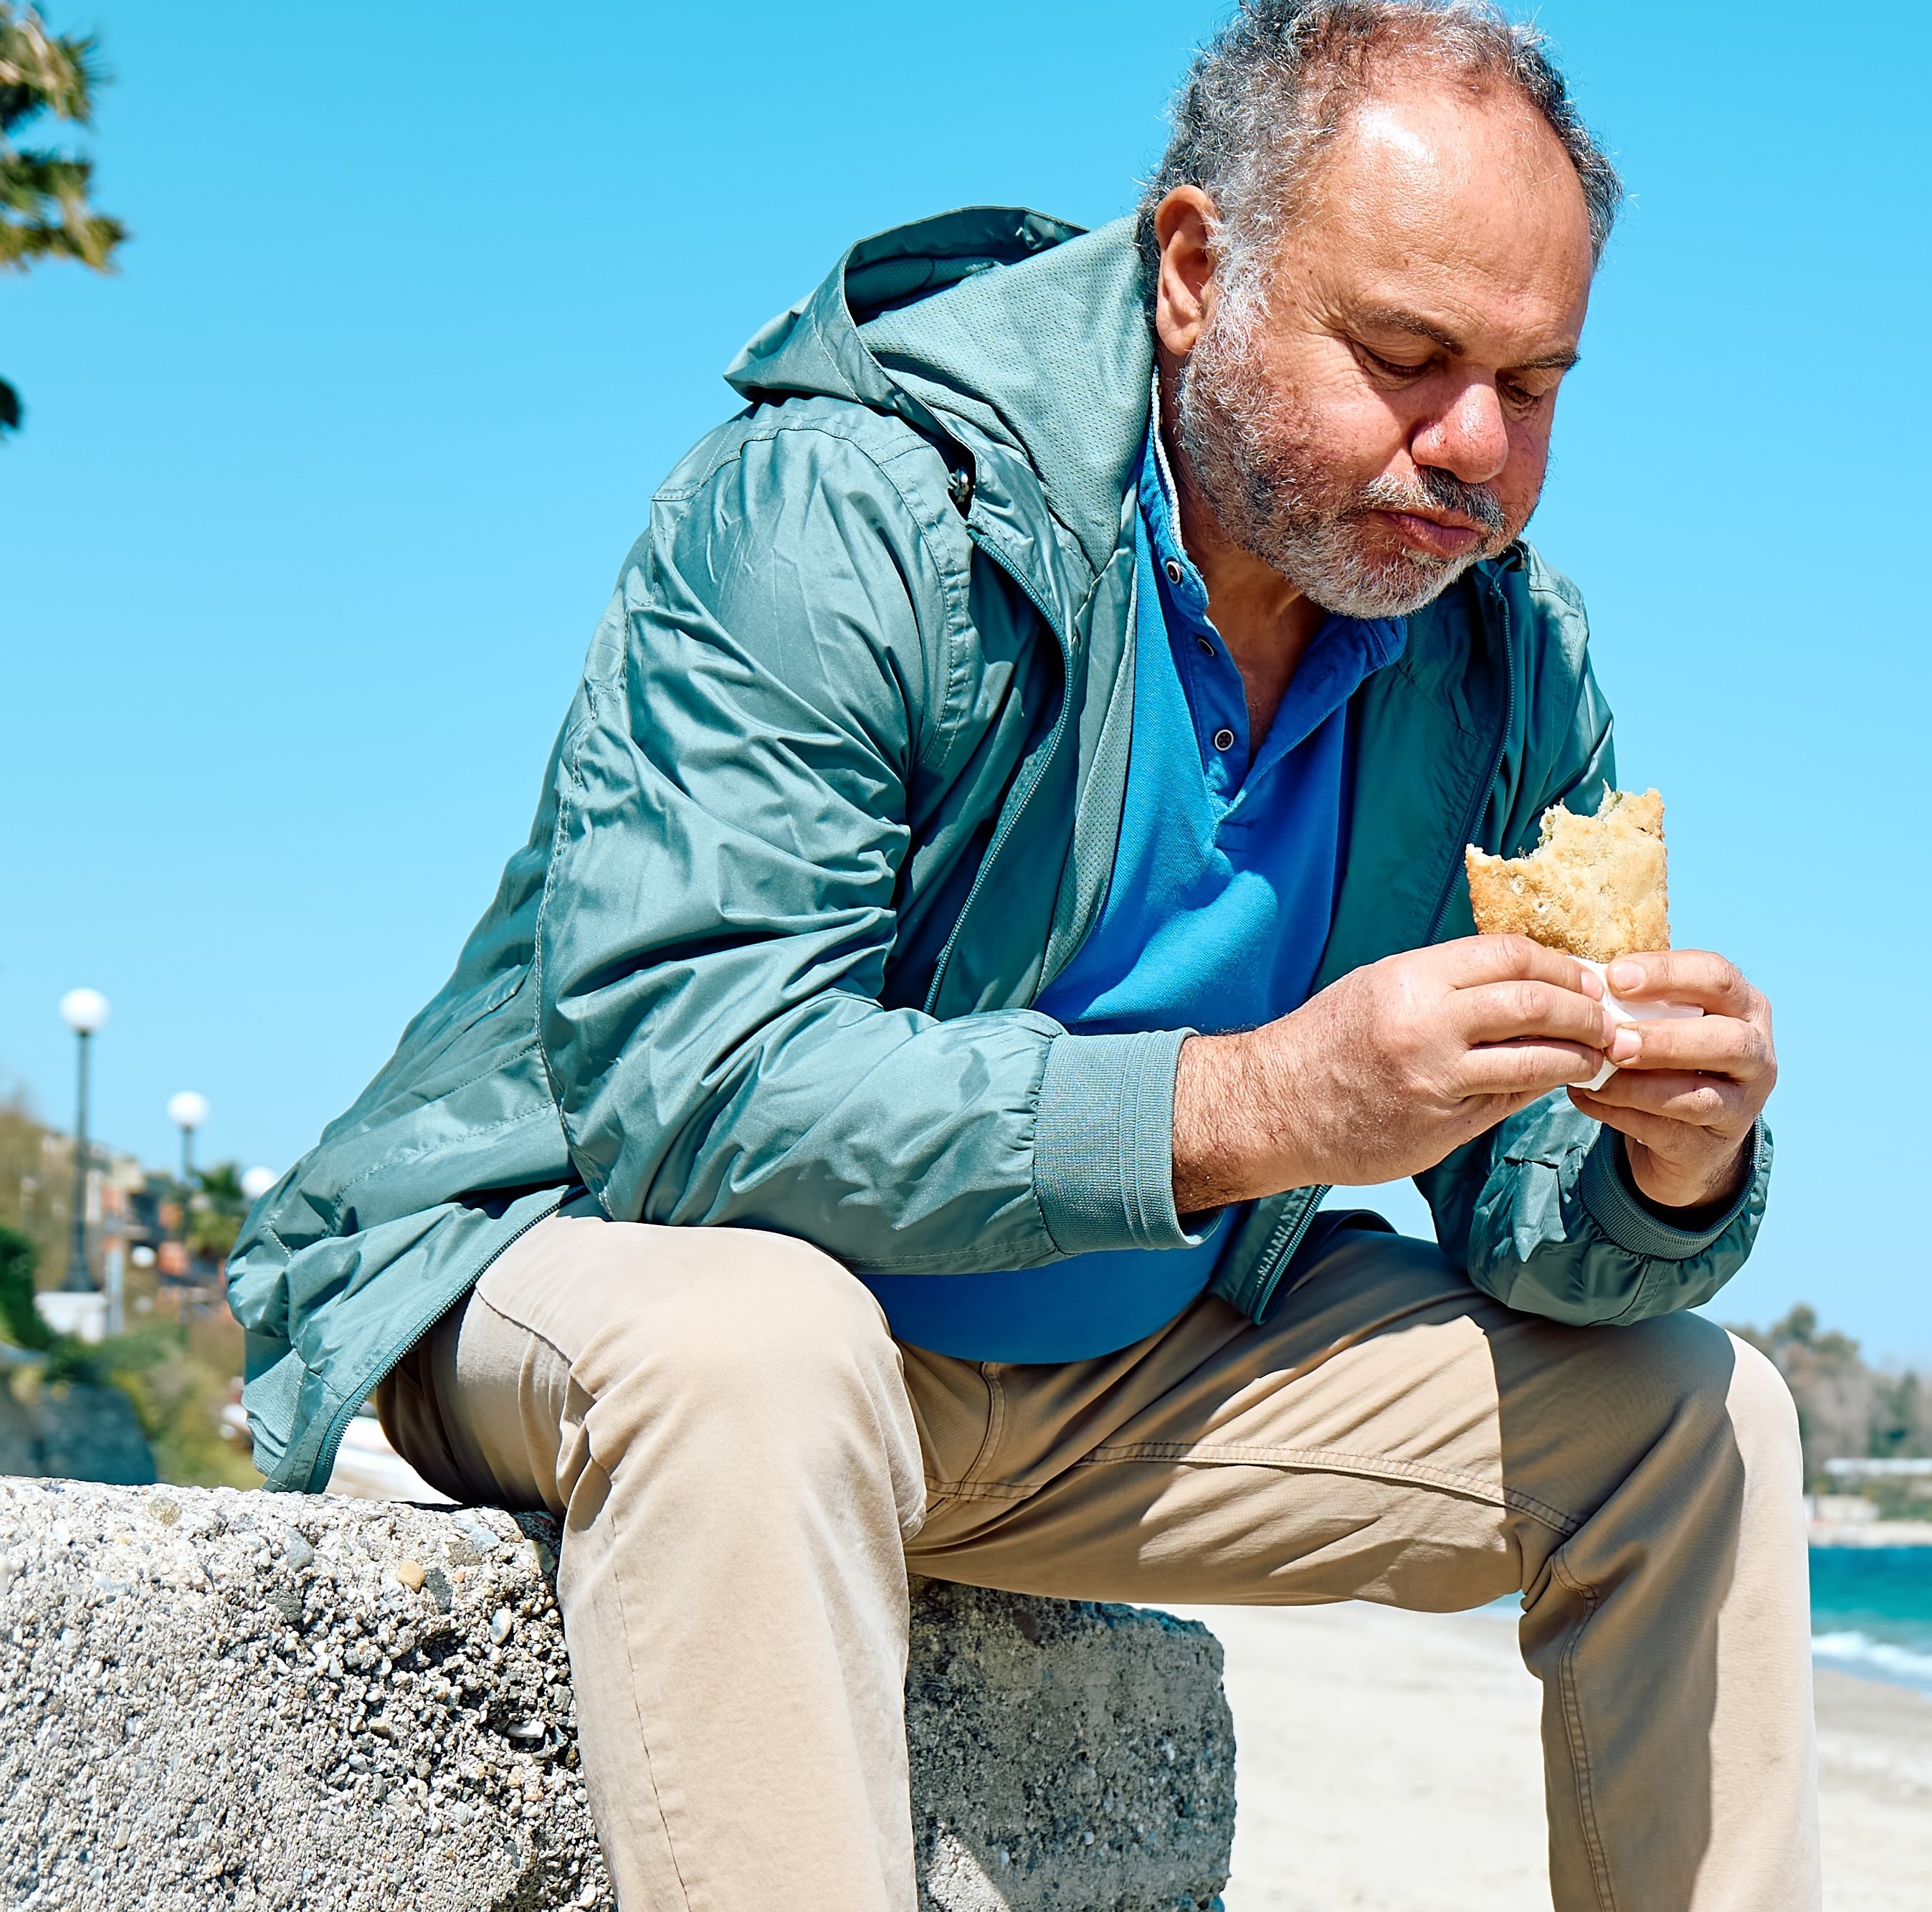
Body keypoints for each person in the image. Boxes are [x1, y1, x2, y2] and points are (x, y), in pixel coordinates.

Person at [227, 5, 1815, 1906]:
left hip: (1108, 1387)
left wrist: (1665, 1162)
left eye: (1533, 384)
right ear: (1193, 272)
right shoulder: (848, 508)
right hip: (593, 1280)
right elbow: (692, 1088)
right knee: (762, 1347)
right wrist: (1256, 1100)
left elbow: (1518, 1208)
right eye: (1405, 356)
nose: (1472, 444)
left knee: (1697, 1416)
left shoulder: (1499, 656)